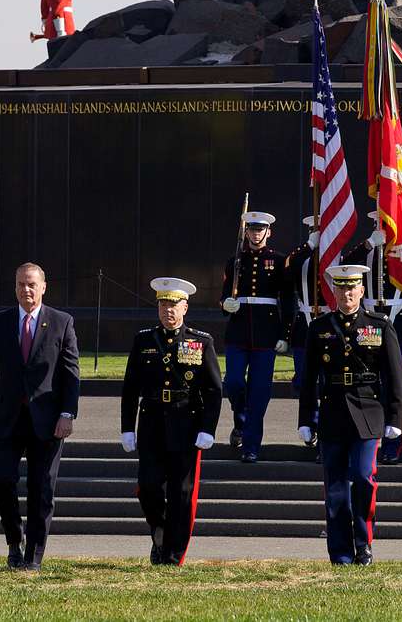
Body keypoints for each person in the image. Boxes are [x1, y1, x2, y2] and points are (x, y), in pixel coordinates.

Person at [0, 262, 80, 571]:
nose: (26, 289)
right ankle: (13, 539)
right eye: (21, 284)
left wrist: (67, 413)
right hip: (6, 419)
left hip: (47, 422)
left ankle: (33, 555)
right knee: (2, 481)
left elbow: (71, 373)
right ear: (15, 287)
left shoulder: (62, 322)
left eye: (32, 284)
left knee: (42, 489)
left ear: (43, 287)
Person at [298, 265, 402, 565]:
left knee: (362, 477)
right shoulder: (319, 328)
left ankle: (364, 543)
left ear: (361, 290)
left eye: (352, 287)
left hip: (368, 413)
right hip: (332, 412)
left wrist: (395, 419)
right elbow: (307, 378)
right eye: (341, 288)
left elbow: (395, 376)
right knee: (335, 489)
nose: (347, 293)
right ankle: (341, 553)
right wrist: (306, 419)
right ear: (334, 291)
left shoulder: (379, 326)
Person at [120, 277, 221, 566]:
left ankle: (173, 553)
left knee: (182, 492)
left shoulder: (200, 342)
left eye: (174, 305)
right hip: (151, 420)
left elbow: (213, 389)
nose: (168, 311)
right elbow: (130, 387)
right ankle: (161, 528)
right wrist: (128, 427)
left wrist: (207, 428)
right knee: (148, 485)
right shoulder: (143, 341)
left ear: (185, 307)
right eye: (163, 304)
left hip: (186, 421)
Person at [342, 211, 402, 464]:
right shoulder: (369, 249)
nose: (383, 227)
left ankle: (393, 441)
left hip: (396, 319)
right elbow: (344, 265)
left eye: (387, 222)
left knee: (394, 384)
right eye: (379, 222)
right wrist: (369, 243)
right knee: (370, 382)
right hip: (369, 321)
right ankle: (370, 439)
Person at [220, 211, 293, 463]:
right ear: (246, 232)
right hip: (238, 332)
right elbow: (224, 294)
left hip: (266, 334)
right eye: (252, 229)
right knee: (234, 383)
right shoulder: (235, 260)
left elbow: (288, 300)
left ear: (268, 232)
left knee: (260, 391)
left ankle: (251, 446)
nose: (256, 233)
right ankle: (240, 419)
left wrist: (285, 333)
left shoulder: (278, 260)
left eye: (260, 229)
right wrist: (225, 304)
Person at [284, 216, 324, 454]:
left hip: (330, 324)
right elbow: (287, 270)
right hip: (305, 325)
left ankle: (322, 430)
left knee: (328, 384)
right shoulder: (302, 257)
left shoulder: (336, 255)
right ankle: (309, 423)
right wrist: (309, 246)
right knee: (304, 380)